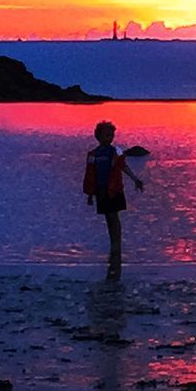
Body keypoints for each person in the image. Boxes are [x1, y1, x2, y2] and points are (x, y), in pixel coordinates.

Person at [82, 120, 144, 279]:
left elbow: (123, 166)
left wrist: (135, 179)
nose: (110, 138)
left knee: (114, 216)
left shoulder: (116, 151)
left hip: (114, 189)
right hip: (101, 191)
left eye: (112, 135)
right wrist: (90, 194)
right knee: (108, 218)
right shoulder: (93, 154)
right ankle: (113, 244)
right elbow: (90, 175)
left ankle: (117, 245)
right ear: (98, 136)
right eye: (106, 135)